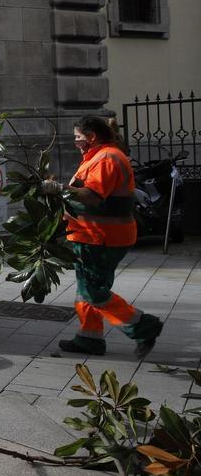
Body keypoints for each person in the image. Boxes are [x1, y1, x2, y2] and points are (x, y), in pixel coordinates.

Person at [43, 116, 163, 357]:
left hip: (102, 238)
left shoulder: (106, 158)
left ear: (92, 137)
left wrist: (60, 189)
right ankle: (89, 338)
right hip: (91, 236)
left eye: (78, 137)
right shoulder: (99, 156)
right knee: (86, 288)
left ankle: (143, 326)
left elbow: (92, 196)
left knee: (94, 291)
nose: (76, 142)